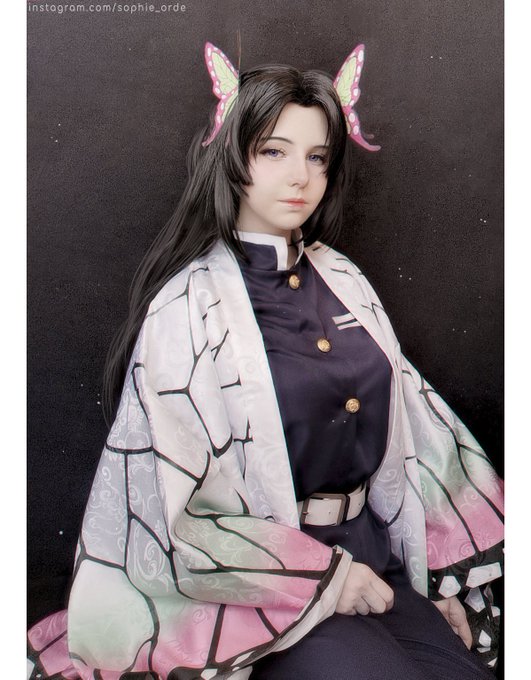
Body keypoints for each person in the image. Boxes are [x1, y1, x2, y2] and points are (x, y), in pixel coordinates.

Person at [27, 42, 504, 680]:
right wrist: (325, 578)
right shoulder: (188, 308)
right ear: (233, 156)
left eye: (317, 157)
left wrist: (445, 580)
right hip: (266, 593)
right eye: (274, 152)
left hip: (380, 560)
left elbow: (419, 434)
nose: (300, 176)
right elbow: (176, 509)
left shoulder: (345, 280)